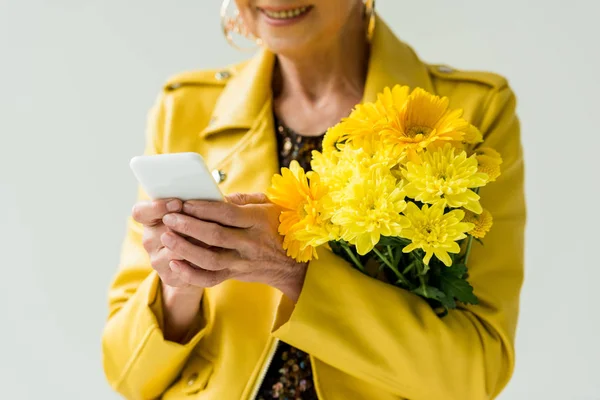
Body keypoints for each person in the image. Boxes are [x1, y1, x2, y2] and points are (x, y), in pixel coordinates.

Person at [101, 1, 526, 399]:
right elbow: (126, 374)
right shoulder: (184, 107)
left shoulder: (472, 113)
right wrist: (180, 285)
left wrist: (295, 272)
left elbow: (475, 375)